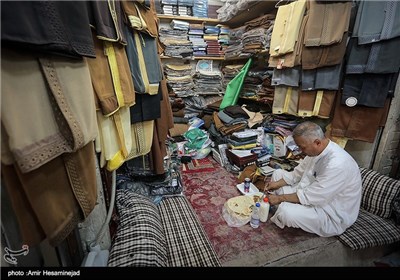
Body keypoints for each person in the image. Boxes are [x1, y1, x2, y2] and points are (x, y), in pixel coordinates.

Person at [265, 121, 362, 237]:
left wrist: (280, 198)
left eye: (302, 147)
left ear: (317, 142)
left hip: (329, 212)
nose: (300, 151)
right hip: (310, 193)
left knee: (286, 212)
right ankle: (281, 203)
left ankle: (283, 206)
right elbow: (296, 174)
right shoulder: (315, 151)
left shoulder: (337, 164)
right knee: (278, 174)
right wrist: (275, 184)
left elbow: (312, 196)